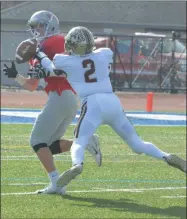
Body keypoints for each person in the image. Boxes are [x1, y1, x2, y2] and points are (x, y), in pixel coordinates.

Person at [6, 26, 186, 193]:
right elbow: (76, 67)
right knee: (137, 144)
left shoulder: (64, 60)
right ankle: (166, 156)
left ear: (70, 45)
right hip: (112, 102)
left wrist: (39, 53)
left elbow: (52, 68)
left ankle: (77, 164)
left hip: (92, 104)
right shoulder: (104, 54)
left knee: (79, 142)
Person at [3, 14, 102, 195]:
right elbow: (32, 86)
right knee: (47, 145)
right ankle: (85, 142)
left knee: (36, 141)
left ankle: (56, 183)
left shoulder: (56, 42)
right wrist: (15, 76)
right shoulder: (39, 49)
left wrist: (48, 69)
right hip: (65, 99)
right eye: (34, 26)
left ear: (50, 26)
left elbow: (69, 70)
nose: (36, 30)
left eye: (39, 26)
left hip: (61, 96)